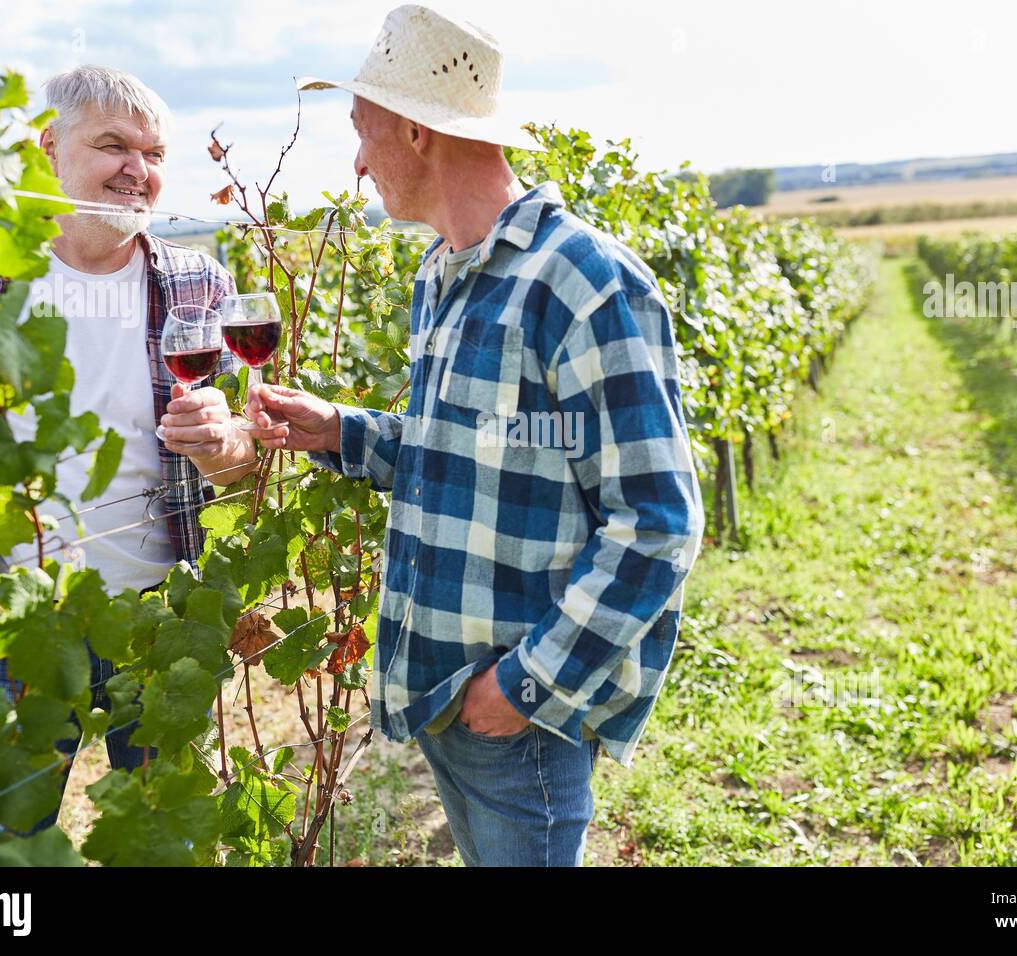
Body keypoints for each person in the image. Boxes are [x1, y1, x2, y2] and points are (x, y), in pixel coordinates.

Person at [246, 4, 704, 866]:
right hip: (444, 697)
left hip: (517, 716)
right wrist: (338, 431)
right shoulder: (444, 273)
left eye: (362, 129)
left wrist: (522, 689)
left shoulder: (582, 281)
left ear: (417, 132)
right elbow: (466, 454)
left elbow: (659, 524)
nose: (354, 160)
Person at [0, 65, 256, 850]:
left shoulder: (198, 284)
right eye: (113, 145)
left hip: (156, 624)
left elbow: (237, 460)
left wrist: (226, 442)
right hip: (9, 625)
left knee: (162, 844)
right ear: (48, 147)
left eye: (154, 153)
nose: (138, 169)